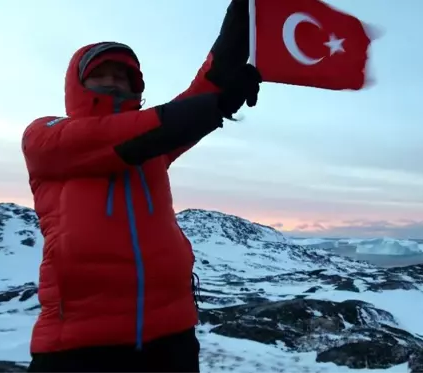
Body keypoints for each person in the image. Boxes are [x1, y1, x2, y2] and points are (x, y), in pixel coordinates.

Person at [20, 2, 259, 372]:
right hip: (79, 343)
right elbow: (131, 134)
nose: (116, 81)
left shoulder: (154, 144)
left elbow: (198, 94)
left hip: (172, 335)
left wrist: (245, 17)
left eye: (125, 76)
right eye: (103, 73)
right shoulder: (46, 138)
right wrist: (214, 107)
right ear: (76, 83)